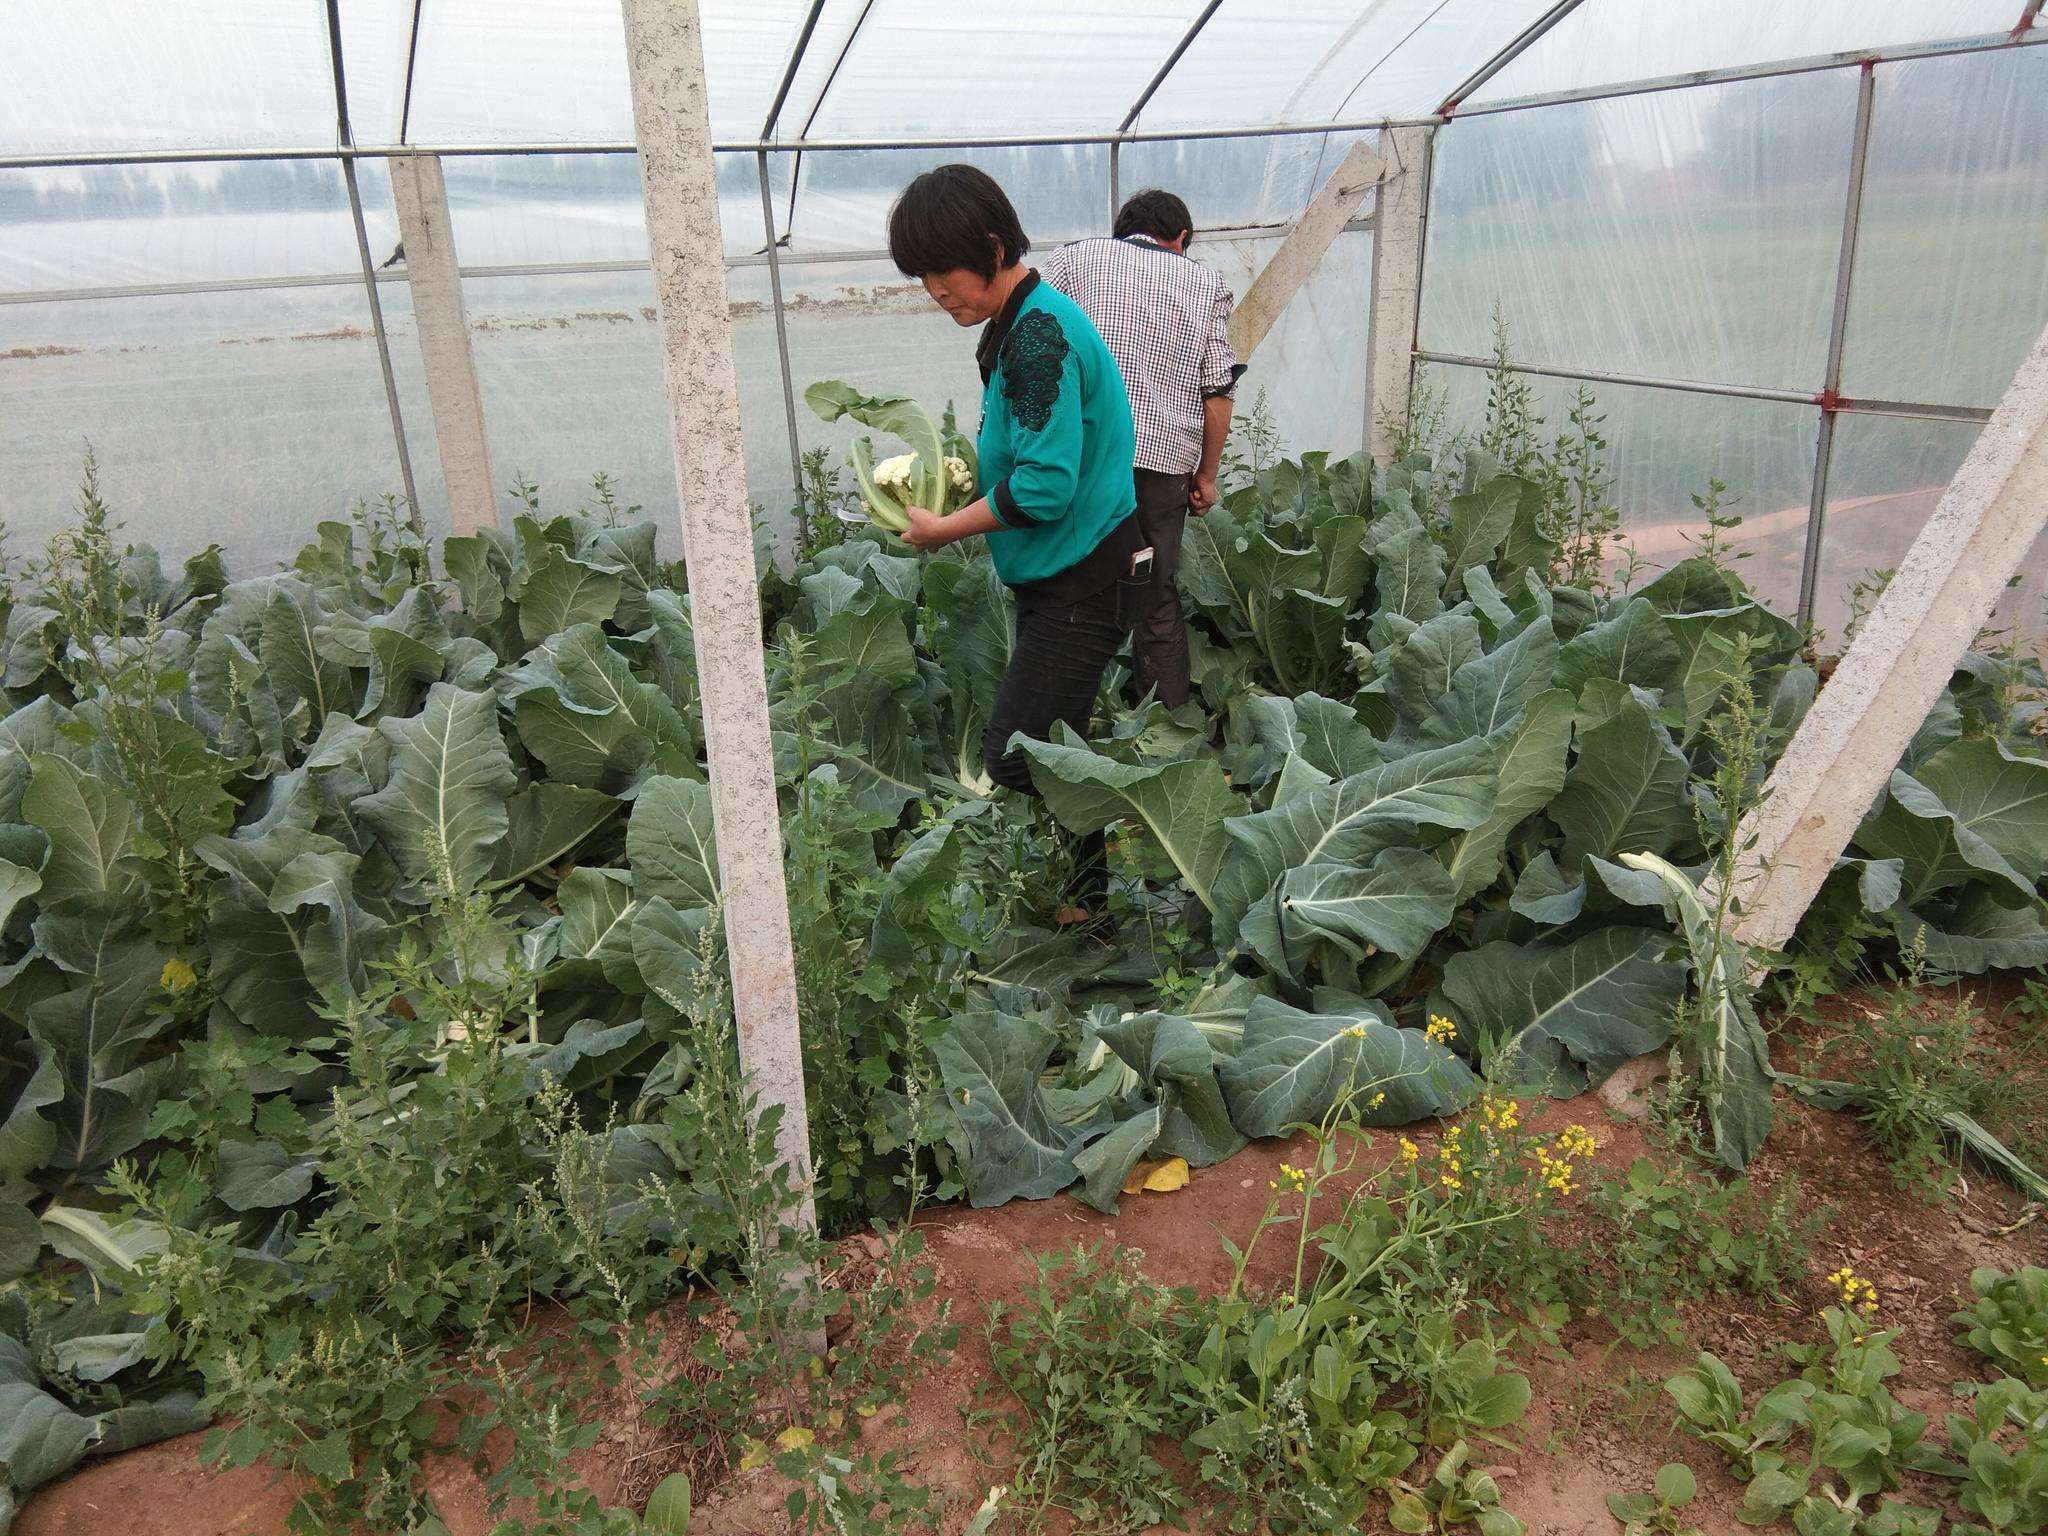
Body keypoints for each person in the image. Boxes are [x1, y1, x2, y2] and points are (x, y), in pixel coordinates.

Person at [885, 164, 1146, 916]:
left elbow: (1044, 487)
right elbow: (1023, 453)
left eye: (942, 271)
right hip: (1063, 570)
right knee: (1055, 744)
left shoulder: (1036, 338)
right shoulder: (1020, 322)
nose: (935, 290)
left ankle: (1122, 849)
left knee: (1019, 753)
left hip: (1084, 576)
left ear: (993, 248)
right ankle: (1085, 906)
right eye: (922, 276)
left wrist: (943, 530)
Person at [1040, 188, 1243, 710]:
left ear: (1122, 231)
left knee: (1063, 588)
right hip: (1158, 467)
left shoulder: (1073, 259)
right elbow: (1217, 394)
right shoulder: (1204, 281)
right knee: (1155, 600)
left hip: (1078, 460)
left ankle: (1053, 734)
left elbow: (1029, 345)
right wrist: (1205, 477)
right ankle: (1163, 734)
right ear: (1181, 239)